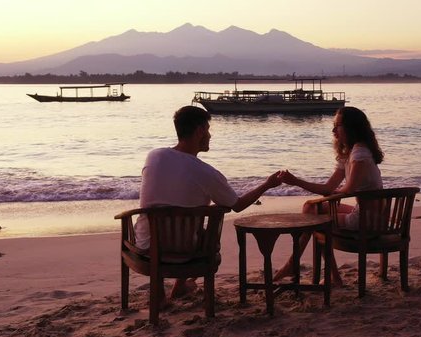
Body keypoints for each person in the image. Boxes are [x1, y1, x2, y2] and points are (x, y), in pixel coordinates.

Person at [135, 105, 282, 303]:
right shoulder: (206, 173)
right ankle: (180, 285)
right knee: (204, 232)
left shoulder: (154, 156)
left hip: (146, 246)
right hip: (184, 252)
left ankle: (161, 290)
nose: (210, 135)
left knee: (168, 218)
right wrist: (268, 184)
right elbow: (237, 205)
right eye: (208, 130)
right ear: (199, 131)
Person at [274, 106, 384, 285]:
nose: (333, 130)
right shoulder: (351, 152)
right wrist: (296, 181)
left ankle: (308, 269)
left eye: (338, 125)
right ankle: (297, 265)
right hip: (365, 213)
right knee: (310, 207)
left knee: (316, 220)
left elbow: (347, 190)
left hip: (368, 220)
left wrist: (302, 184)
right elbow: (329, 188)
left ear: (351, 127)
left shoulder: (360, 154)